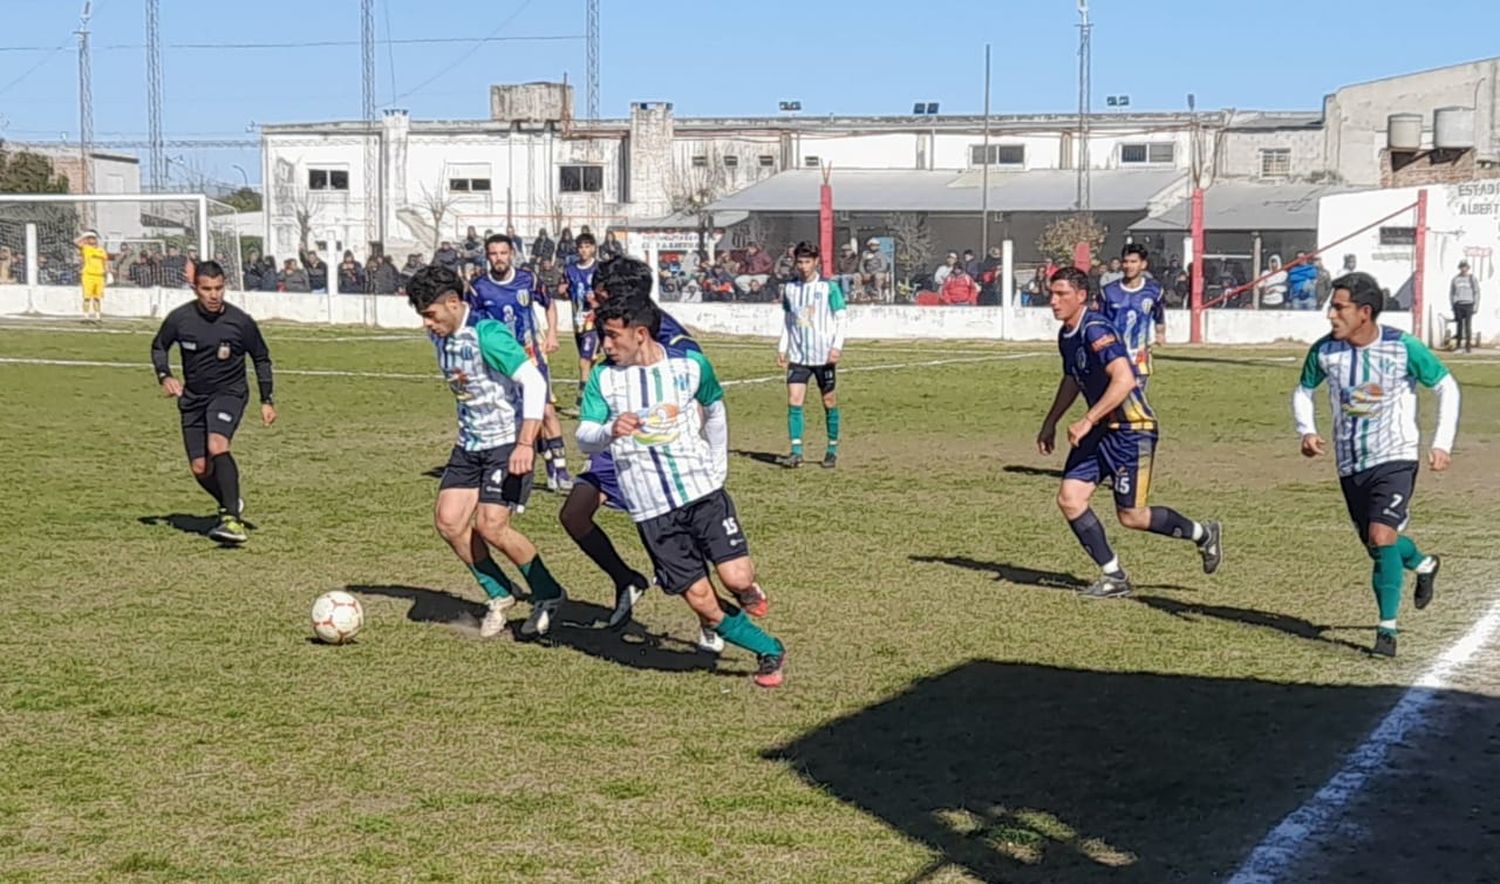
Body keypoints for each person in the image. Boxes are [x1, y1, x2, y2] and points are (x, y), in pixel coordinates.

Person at [577, 294, 786, 688]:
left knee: (736, 578)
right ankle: (769, 650)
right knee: (703, 604)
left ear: (640, 334)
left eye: (611, 336)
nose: (605, 346)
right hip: (651, 510)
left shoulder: (688, 366)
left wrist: (719, 467)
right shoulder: (603, 379)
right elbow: (585, 436)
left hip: (701, 492)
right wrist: (607, 430)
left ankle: (745, 591)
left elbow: (716, 407)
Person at [1292, 272, 1459, 657]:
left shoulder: (1404, 348)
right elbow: (1303, 392)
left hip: (1396, 457)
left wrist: (1442, 443)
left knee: (1382, 537)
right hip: (1351, 464)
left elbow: (1446, 386)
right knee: (1377, 546)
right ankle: (1425, 563)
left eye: (1338, 307)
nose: (1330, 315)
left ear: (1364, 312)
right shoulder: (1325, 352)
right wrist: (1307, 430)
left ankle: (1387, 633)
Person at [1037, 267, 1222, 598]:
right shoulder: (1067, 334)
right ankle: (1114, 575)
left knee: (1132, 516)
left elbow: (1124, 379)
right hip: (1101, 431)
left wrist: (1087, 420)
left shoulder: (1095, 328)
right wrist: (1050, 421)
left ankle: (1202, 533)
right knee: (1070, 498)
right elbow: (1071, 379)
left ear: (1081, 296)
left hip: (1131, 431)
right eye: (1052, 293)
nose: (1053, 301)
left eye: (1062, 294)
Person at [406, 264, 568, 638]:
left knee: (491, 526)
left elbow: (533, 381)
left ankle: (548, 593)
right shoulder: (440, 336)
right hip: (469, 444)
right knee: (449, 522)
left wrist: (526, 442)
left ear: (452, 303)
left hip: (507, 443)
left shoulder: (487, 334)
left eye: (430, 315)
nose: (427, 324)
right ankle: (500, 593)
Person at [149, 261, 276, 545]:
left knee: (217, 445)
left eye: (218, 288)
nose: (214, 295)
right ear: (196, 289)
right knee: (199, 468)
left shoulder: (240, 322)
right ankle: (229, 501)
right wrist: (164, 375)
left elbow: (261, 358)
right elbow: (159, 346)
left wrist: (267, 399)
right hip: (193, 397)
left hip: (229, 394)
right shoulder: (180, 319)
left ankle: (231, 521)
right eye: (207, 289)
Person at [469, 234, 574, 493]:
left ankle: (559, 472)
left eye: (503, 253)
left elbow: (549, 305)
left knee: (547, 412)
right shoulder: (478, 287)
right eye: (493, 254)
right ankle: (510, 469)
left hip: (530, 355)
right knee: (514, 415)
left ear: (511, 254)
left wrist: (551, 334)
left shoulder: (528, 279)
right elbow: (473, 326)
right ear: (487, 256)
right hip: (500, 361)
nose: (499, 258)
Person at [776, 242, 848, 469]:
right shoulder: (790, 289)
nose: (804, 266)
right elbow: (788, 321)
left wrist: (837, 346)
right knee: (794, 400)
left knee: (829, 401)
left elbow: (841, 319)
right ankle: (796, 451)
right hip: (799, 356)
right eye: (800, 262)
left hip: (823, 356)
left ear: (816, 262)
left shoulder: (829, 288)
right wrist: (782, 347)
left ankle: (831, 449)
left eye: (808, 262)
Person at [1095, 244, 1167, 390]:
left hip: (1139, 356)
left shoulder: (1154, 290)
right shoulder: (1108, 291)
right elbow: (1099, 321)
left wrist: (1160, 333)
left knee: (1136, 405)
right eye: (1125, 261)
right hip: (1114, 355)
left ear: (1143, 264)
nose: (1128, 266)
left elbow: (1159, 314)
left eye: (1133, 262)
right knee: (1113, 404)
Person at [564, 232, 601, 411]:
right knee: (590, 361)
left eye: (587, 246)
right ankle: (596, 397)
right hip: (577, 321)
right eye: (581, 247)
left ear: (593, 248)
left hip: (594, 321)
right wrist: (562, 289)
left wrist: (597, 300)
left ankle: (580, 405)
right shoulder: (570, 270)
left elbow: (609, 293)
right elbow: (565, 289)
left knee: (584, 362)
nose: (584, 250)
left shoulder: (600, 269)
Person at [75, 230, 110, 322]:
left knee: (97, 298)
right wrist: (84, 236)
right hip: (88, 275)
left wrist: (107, 273)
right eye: (90, 238)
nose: (92, 240)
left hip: (99, 276)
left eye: (93, 238)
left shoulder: (101, 250)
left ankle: (98, 316)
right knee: (87, 297)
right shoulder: (86, 248)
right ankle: (86, 316)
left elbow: (105, 263)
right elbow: (76, 242)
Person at [1450, 260, 1479, 353]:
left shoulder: (1472, 278)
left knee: (1468, 326)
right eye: (1462, 267)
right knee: (1459, 325)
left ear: (1467, 268)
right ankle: (1458, 345)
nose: (1463, 269)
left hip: (1469, 304)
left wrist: (1476, 305)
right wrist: (1453, 303)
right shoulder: (1455, 279)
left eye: (1465, 267)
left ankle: (1468, 346)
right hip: (1458, 304)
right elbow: (1452, 292)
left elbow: (1476, 292)